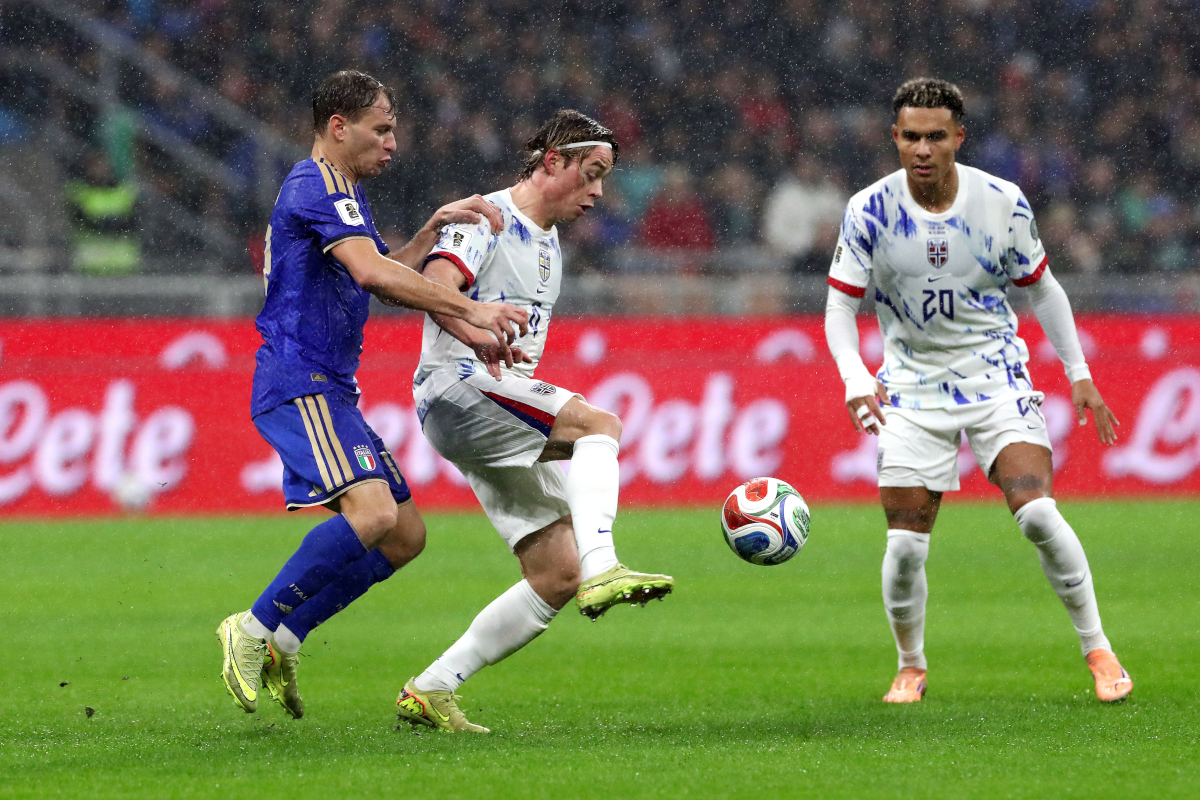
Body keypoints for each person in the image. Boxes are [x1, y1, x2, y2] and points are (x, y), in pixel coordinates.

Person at [217, 70, 529, 719]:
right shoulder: (317, 184)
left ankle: (285, 637)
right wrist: (473, 310)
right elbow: (372, 273)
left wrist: (430, 230)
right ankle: (252, 627)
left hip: (328, 389)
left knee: (403, 536)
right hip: (298, 381)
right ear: (339, 126)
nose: (392, 142)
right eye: (381, 128)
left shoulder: (340, 194)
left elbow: (375, 271)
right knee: (373, 513)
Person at [823, 78, 1132, 705]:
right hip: (909, 387)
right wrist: (858, 380)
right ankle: (911, 665)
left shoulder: (1002, 202)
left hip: (994, 375)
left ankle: (1097, 647)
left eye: (937, 136)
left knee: (1039, 514)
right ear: (895, 138)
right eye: (911, 136)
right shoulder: (868, 211)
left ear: (959, 138)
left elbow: (1042, 288)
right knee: (906, 545)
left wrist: (1079, 375)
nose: (923, 149)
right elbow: (838, 310)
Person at [395, 110, 674, 733]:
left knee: (555, 573)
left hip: (488, 399)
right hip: (458, 384)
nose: (599, 192)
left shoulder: (548, 238)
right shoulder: (488, 217)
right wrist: (476, 329)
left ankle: (432, 688)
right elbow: (434, 286)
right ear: (554, 161)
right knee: (599, 425)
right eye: (592, 174)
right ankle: (606, 565)